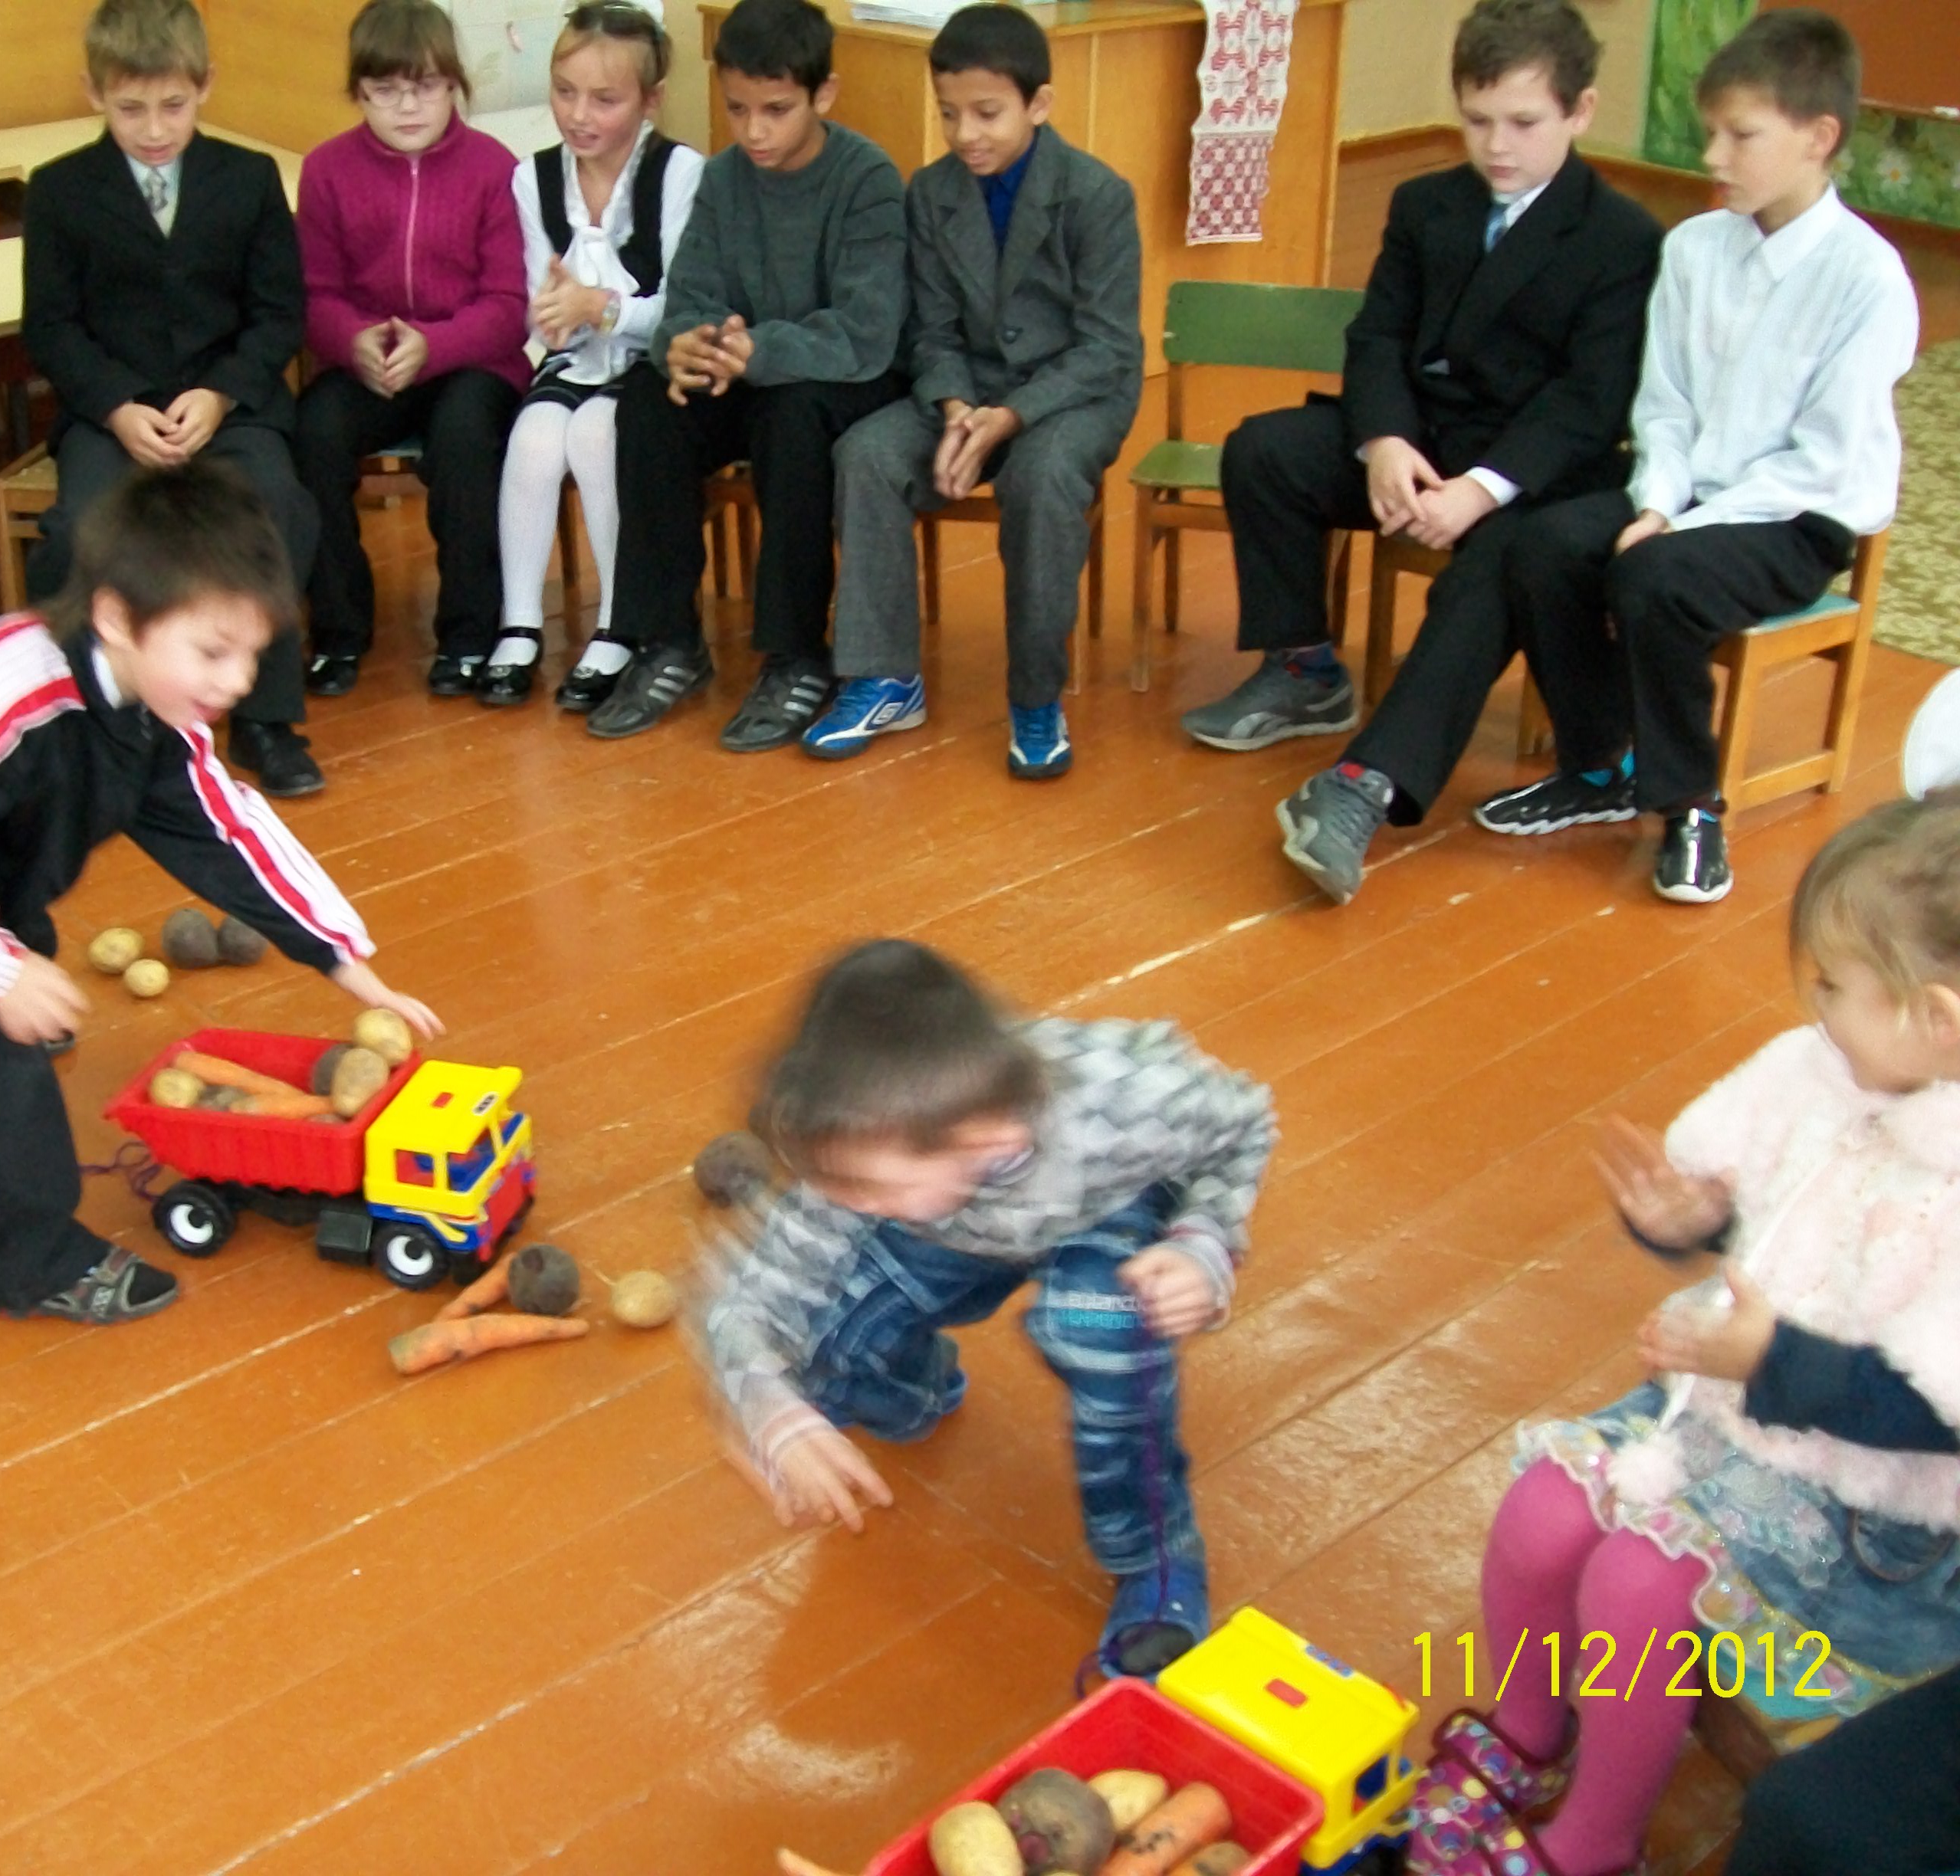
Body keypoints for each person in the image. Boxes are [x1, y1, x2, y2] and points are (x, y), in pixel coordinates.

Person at [1406, 798, 1960, 1876]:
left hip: (1875, 1518)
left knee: (1638, 1586)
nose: (1816, 1008)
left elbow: (1934, 1409)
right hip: (1729, 1412)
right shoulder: (1824, 1070)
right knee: (1543, 1510)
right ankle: (1526, 1733)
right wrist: (1691, 1220)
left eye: (1837, 988)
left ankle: (1595, 1841)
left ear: (1936, 1017)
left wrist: (1771, 1363)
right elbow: (1770, 1210)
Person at [0, 464, 439, 1324]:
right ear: (118, 618)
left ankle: (4, 976)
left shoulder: (160, 707)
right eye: (213, 651)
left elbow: (229, 831)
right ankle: (33, 1262)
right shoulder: (8, 685)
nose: (238, 682)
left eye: (251, 654)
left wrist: (348, 964)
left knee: (19, 963)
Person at [1175, 0, 1660, 904]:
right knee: (1266, 452)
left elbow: (1588, 404)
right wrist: (1384, 443)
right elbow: (1377, 338)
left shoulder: (1623, 238)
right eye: (1478, 121)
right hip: (1422, 441)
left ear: (1580, 112)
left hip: (1529, 475)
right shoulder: (1425, 202)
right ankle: (1304, 669)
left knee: (1495, 568)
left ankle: (1366, 785)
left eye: (1524, 123)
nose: (1497, 146)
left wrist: (1479, 491)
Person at [697, 940, 1275, 1674]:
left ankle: (1157, 1564)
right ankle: (914, 1390)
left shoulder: (1130, 1098)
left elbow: (1246, 1126)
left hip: (1110, 1222)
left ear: (988, 1138)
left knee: (1100, 1323)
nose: (844, 1203)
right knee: (813, 1334)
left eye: (869, 1189)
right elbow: (747, 1299)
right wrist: (770, 1411)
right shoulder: (862, 1148)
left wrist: (1204, 1244)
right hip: (952, 1231)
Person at [1475, 8, 1917, 905]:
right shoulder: (1692, 249)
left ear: (1817, 138)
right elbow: (1665, 404)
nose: (1713, 157)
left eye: (1739, 136)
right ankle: (1599, 765)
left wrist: (1682, 529)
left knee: (1655, 582)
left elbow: (1823, 459)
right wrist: (1658, 506)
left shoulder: (1867, 281)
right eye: (1709, 132)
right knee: (1542, 543)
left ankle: (1690, 805)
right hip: (1684, 498)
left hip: (1794, 516)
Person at [811, 3, 1139, 781]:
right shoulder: (930, 194)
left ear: (1040, 105)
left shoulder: (1098, 195)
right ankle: (887, 676)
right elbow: (930, 332)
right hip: (971, 390)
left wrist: (1009, 419)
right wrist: (958, 409)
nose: (966, 136)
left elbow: (1108, 350)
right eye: (950, 114)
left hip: (1073, 397)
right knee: (866, 454)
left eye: (987, 114)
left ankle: (1034, 696)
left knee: (1040, 477)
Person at [583, 0, 908, 750]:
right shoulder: (724, 180)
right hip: (748, 368)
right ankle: (668, 641)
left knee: (790, 419)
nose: (754, 130)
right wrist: (686, 348)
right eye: (737, 109)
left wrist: (754, 350)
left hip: (841, 380)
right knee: (648, 401)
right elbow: (689, 299)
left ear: (823, 95)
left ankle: (795, 657)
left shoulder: (867, 179)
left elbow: (866, 332)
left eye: (776, 110)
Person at [21, 0, 321, 798]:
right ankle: (98, 718)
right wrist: (118, 406)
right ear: (93, 94)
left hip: (228, 410)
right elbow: (51, 328)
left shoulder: (248, 179)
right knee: (77, 531)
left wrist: (221, 395)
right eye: (131, 109)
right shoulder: (57, 190)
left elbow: (277, 313)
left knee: (277, 507)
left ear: (205, 86)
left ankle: (265, 717)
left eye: (173, 106)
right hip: (109, 417)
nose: (154, 128)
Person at [292, 0, 528, 700]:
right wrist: (351, 340)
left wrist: (436, 345)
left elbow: (508, 307)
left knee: (463, 439)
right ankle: (337, 631)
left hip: (471, 362)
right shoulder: (328, 170)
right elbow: (313, 293)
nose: (407, 106)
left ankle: (468, 635)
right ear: (358, 92)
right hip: (370, 360)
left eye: (424, 86)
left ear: (454, 84)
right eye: (384, 90)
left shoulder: (493, 168)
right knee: (313, 432)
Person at [483, 2, 704, 711]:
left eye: (605, 100)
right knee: (534, 438)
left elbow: (682, 305)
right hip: (578, 359)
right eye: (564, 92)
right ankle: (519, 625)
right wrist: (553, 316)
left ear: (650, 101)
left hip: (649, 361)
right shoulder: (533, 179)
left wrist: (601, 306)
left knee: (598, 435)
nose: (579, 115)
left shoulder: (678, 173)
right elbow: (535, 299)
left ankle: (618, 624)